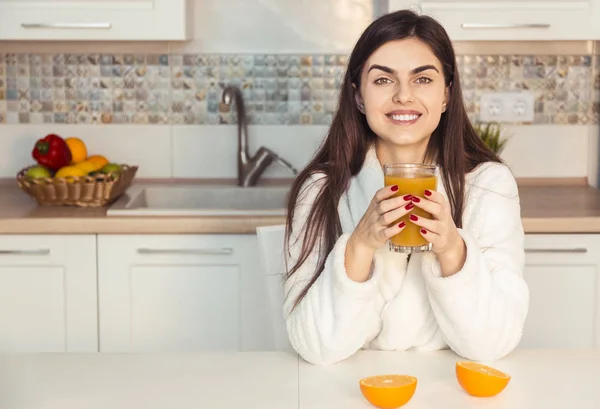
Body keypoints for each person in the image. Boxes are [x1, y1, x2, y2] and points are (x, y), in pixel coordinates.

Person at [282, 9, 529, 366]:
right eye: (383, 80)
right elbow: (314, 348)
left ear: (446, 94)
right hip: (351, 389)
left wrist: (452, 250)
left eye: (423, 80)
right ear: (358, 96)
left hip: (450, 389)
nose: (403, 96)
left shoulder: (488, 185)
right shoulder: (320, 190)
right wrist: (360, 247)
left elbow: (493, 345)